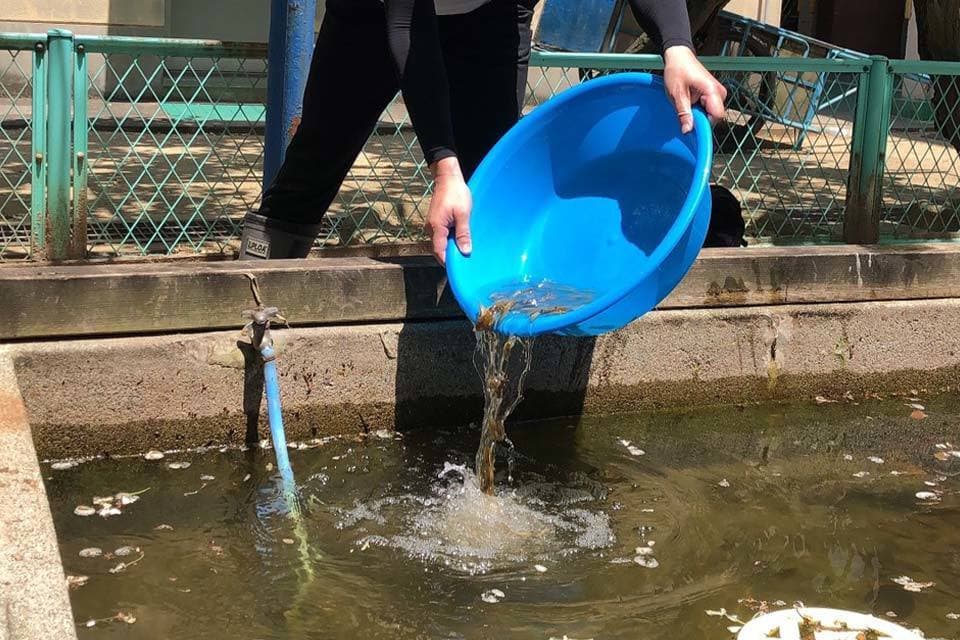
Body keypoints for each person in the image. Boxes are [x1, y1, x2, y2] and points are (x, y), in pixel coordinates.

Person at [239, 0, 727, 263]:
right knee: (317, 158)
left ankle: (476, 323)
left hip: (491, 15)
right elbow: (408, 26)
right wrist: (442, 164)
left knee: (487, 187)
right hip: (375, 14)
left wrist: (678, 47)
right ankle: (253, 288)